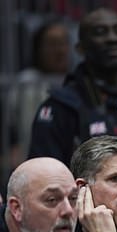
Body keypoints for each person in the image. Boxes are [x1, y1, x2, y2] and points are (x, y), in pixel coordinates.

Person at [29, 8, 117, 166]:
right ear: (81, 48)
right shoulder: (61, 107)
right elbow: (45, 177)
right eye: (101, 32)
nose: (113, 38)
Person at [6, 19, 71, 168]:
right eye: (53, 44)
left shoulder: (75, 83)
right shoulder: (25, 83)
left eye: (63, 43)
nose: (60, 50)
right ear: (38, 48)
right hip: (29, 163)